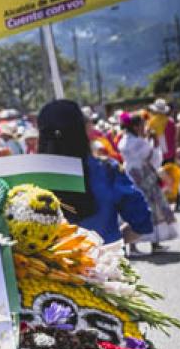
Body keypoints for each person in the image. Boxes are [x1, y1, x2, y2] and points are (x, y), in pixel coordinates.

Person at [37, 100, 152, 246]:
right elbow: (142, 221)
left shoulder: (29, 181)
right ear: (81, 131)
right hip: (104, 265)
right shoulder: (108, 171)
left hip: (46, 268)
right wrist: (111, 245)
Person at [118, 111, 178, 251]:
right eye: (142, 125)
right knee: (153, 207)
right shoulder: (139, 142)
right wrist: (154, 143)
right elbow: (154, 159)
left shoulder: (123, 141)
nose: (144, 128)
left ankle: (132, 246)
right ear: (135, 127)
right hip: (143, 176)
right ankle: (154, 243)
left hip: (129, 175)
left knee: (132, 208)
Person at [148, 98, 180, 209]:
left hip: (157, 155)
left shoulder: (151, 123)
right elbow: (174, 139)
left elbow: (150, 138)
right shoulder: (170, 122)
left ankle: (165, 201)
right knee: (171, 177)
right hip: (170, 154)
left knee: (160, 178)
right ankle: (177, 198)